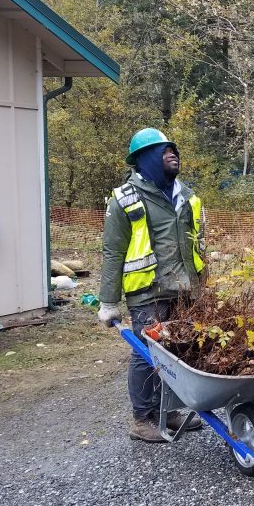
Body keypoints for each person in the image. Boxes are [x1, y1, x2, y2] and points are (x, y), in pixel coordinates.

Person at [97, 128, 206, 442]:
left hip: (184, 289)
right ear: (144, 159)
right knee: (147, 353)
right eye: (163, 150)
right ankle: (142, 419)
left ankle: (167, 411)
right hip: (148, 292)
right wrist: (108, 301)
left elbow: (195, 245)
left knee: (175, 352)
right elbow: (113, 251)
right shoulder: (125, 199)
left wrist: (201, 287)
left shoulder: (185, 196)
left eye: (173, 148)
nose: (172, 152)